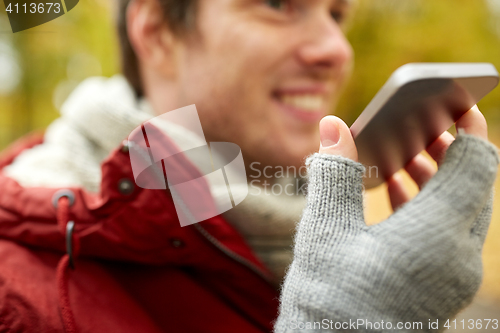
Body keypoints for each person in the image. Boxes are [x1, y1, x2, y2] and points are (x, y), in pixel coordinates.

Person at [0, 0, 498, 332]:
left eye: (337, 13)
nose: (336, 50)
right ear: (155, 32)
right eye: (278, 4)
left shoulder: (314, 227)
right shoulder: (18, 303)